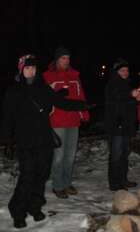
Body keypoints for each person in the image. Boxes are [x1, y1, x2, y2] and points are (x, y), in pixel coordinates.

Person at [0, 55, 88, 229]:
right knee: (27, 177)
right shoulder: (13, 91)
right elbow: (7, 118)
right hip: (26, 142)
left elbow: (60, 102)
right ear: (21, 70)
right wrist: (7, 141)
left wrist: (82, 106)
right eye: (27, 68)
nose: (30, 71)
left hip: (44, 140)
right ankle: (18, 211)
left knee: (41, 175)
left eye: (33, 68)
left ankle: (35, 206)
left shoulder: (43, 87)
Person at [43, 47, 90, 198]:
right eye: (63, 58)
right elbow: (45, 99)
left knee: (70, 156)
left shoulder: (75, 76)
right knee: (59, 156)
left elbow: (80, 96)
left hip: (73, 121)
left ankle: (67, 182)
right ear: (57, 59)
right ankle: (58, 185)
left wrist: (84, 114)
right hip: (57, 121)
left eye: (68, 58)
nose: (66, 61)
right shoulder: (48, 76)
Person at [104, 58, 140, 191]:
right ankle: (114, 183)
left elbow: (127, 104)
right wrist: (130, 94)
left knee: (125, 154)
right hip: (116, 125)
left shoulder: (127, 84)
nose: (126, 72)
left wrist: (136, 99)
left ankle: (123, 179)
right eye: (122, 70)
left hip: (126, 125)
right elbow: (117, 97)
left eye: (127, 70)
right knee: (116, 154)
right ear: (116, 72)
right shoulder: (112, 84)